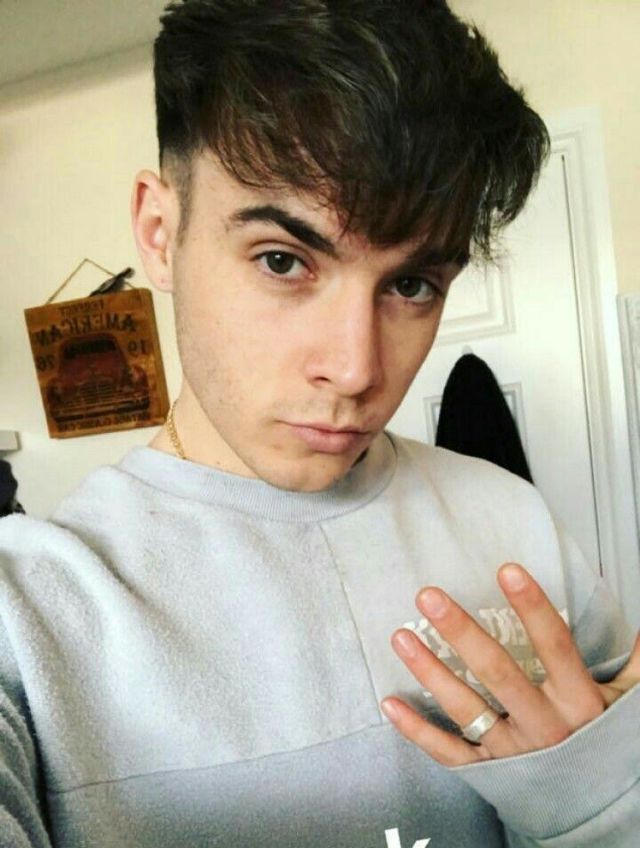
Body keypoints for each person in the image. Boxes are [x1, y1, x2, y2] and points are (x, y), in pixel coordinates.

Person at [1, 1, 638, 846]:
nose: (357, 369)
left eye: (411, 285)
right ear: (159, 233)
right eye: (283, 260)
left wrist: (597, 804)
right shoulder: (28, 609)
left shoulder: (517, 523)